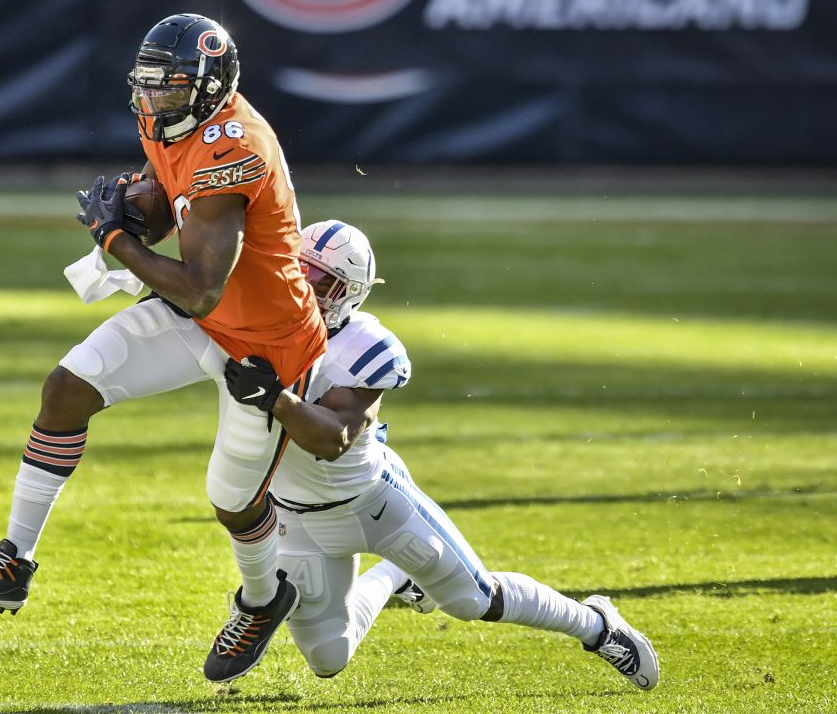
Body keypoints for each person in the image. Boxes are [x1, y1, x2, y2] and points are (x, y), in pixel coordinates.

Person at [0, 13, 327, 683]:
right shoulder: (172, 121)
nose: (157, 101)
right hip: (204, 316)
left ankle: (263, 600)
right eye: (151, 87)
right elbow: (167, 199)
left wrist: (113, 240)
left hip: (260, 344)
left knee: (233, 499)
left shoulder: (238, 146)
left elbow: (200, 287)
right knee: (69, 385)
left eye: (172, 89)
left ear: (211, 89)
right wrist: (131, 205)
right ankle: (14, 562)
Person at [222, 220, 660, 690]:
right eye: (298, 272)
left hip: (372, 503)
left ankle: (598, 625)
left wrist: (278, 400)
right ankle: (394, 574)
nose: (305, 289)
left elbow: (332, 440)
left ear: (349, 293)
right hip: (298, 518)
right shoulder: (251, 318)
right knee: (329, 659)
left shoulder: (365, 345)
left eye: (321, 280)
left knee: (475, 600)